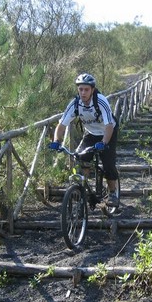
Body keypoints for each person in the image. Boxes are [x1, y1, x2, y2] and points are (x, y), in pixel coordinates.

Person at [49, 73, 119, 207]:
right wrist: (57, 141)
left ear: (92, 90)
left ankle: (113, 193)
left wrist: (104, 143)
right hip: (91, 133)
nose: (83, 92)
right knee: (81, 158)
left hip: (107, 132)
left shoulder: (101, 101)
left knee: (108, 163)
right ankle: (83, 189)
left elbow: (109, 125)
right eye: (80, 89)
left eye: (86, 89)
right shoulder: (75, 103)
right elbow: (62, 124)